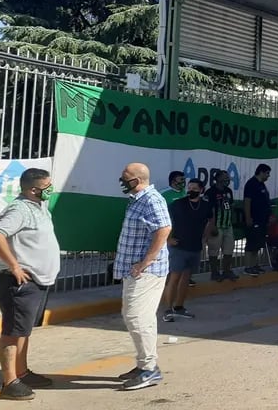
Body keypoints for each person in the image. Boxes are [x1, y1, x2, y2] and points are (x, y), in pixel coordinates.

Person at [0, 168, 60, 401]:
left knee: (23, 332)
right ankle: (9, 383)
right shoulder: (19, 209)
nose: (51, 189)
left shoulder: (39, 207)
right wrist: (15, 266)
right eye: (47, 186)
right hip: (19, 282)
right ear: (33, 189)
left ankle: (22, 372)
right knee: (12, 332)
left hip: (37, 281)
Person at [114, 162, 172, 390]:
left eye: (124, 177)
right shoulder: (137, 199)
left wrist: (145, 261)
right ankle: (143, 365)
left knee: (138, 318)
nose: (121, 181)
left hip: (146, 271)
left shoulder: (152, 199)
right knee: (134, 316)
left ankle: (149, 369)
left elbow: (164, 229)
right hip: (135, 270)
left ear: (136, 180)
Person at [162, 179, 212, 322]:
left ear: (201, 190)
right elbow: (165, 220)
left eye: (194, 188)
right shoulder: (178, 204)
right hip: (179, 247)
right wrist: (168, 239)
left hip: (195, 247)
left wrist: (205, 236)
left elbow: (211, 220)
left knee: (186, 278)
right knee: (174, 278)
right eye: (189, 187)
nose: (191, 190)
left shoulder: (206, 206)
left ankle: (179, 307)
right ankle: (168, 309)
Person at [205, 170, 238, 282]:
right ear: (217, 179)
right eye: (225, 178)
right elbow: (208, 210)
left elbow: (231, 205)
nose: (227, 180)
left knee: (229, 249)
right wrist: (212, 226)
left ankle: (227, 271)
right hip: (216, 225)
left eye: (228, 178)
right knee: (214, 250)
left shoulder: (228, 191)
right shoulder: (210, 192)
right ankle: (214, 273)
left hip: (228, 225)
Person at [243, 164, 272, 277]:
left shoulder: (262, 185)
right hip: (254, 219)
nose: (268, 176)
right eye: (267, 173)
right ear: (261, 172)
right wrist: (248, 217)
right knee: (251, 243)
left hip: (262, 220)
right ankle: (247, 267)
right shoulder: (251, 184)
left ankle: (254, 265)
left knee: (257, 244)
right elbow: (247, 201)